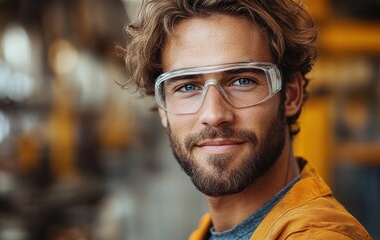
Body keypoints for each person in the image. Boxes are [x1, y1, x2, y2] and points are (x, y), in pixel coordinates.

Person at [123, 0, 372, 239]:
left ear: (290, 95)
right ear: (163, 110)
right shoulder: (208, 231)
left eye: (242, 81)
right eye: (187, 87)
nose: (213, 115)